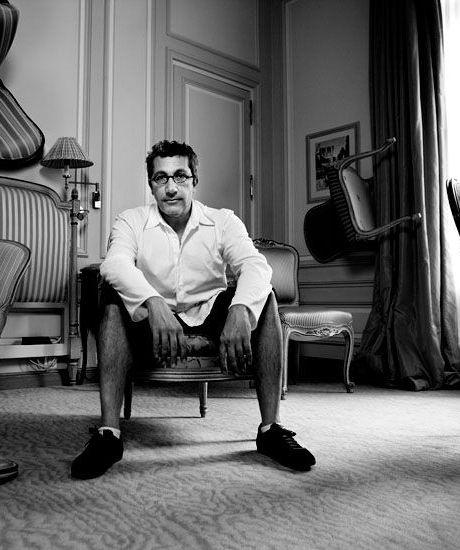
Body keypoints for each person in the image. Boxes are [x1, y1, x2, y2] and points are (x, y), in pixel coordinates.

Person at [70, 140, 315, 480]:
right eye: (161, 178)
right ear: (151, 184)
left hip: (210, 314)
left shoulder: (223, 221)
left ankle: (270, 429)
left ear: (194, 181)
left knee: (265, 296)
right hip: (154, 323)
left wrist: (239, 310)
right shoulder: (131, 220)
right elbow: (115, 264)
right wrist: (153, 302)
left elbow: (255, 266)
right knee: (111, 298)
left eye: (180, 176)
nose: (171, 187)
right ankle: (108, 434)